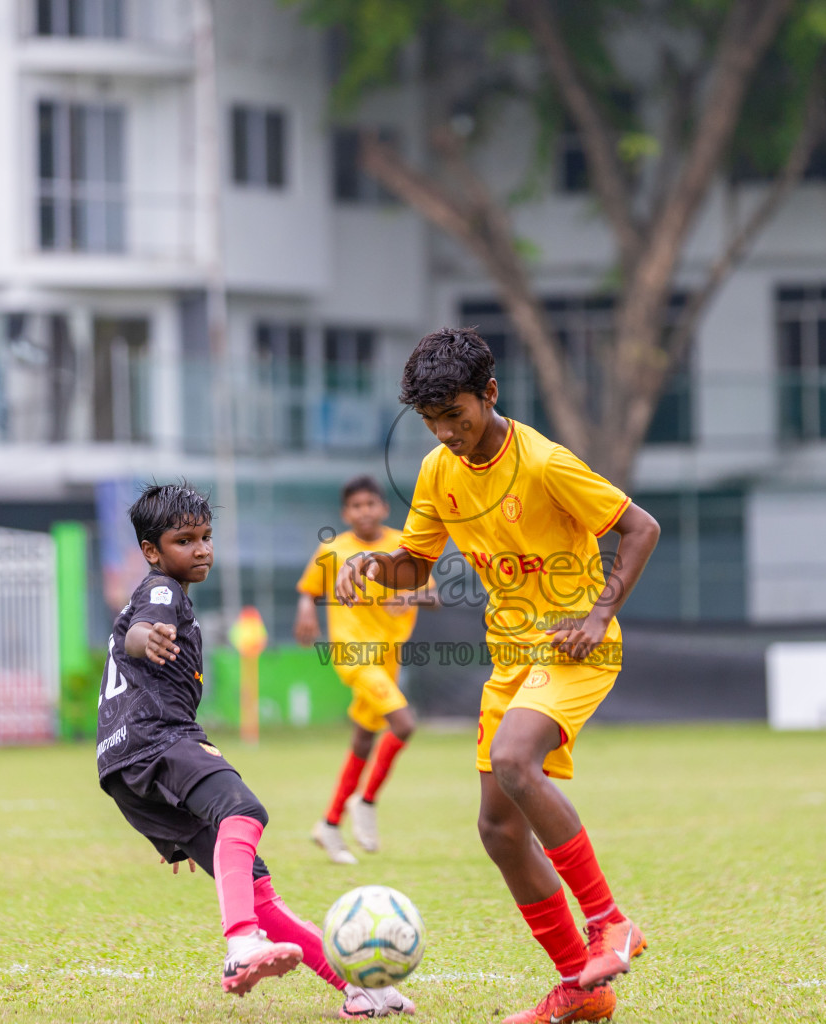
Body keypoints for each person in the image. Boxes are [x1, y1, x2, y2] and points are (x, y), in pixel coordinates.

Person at [335, 329, 661, 1024]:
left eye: (458, 414)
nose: (448, 432)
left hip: (575, 646)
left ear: (489, 394)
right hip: (509, 658)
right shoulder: (437, 470)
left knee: (515, 759)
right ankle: (584, 987)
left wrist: (602, 613)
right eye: (433, 422)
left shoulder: (544, 462)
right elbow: (417, 564)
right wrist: (374, 565)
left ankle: (611, 923)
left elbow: (641, 528)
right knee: (499, 832)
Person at [95, 482, 414, 1019]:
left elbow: (132, 633)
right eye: (184, 540)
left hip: (123, 765)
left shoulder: (155, 593)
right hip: (157, 739)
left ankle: (360, 991)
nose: (201, 550)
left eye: (206, 537)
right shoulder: (161, 592)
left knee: (257, 887)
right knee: (243, 810)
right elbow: (143, 629)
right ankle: (241, 944)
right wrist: (146, 637)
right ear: (152, 552)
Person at [295, 475, 438, 864]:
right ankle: (368, 800)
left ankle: (329, 823)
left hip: (388, 660)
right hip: (354, 656)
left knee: (362, 740)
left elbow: (434, 595)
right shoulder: (333, 550)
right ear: (346, 513)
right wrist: (307, 611)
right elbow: (310, 588)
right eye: (356, 506)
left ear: (383, 508)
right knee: (404, 724)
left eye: (370, 504)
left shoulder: (400, 548)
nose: (364, 512)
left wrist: (409, 595)